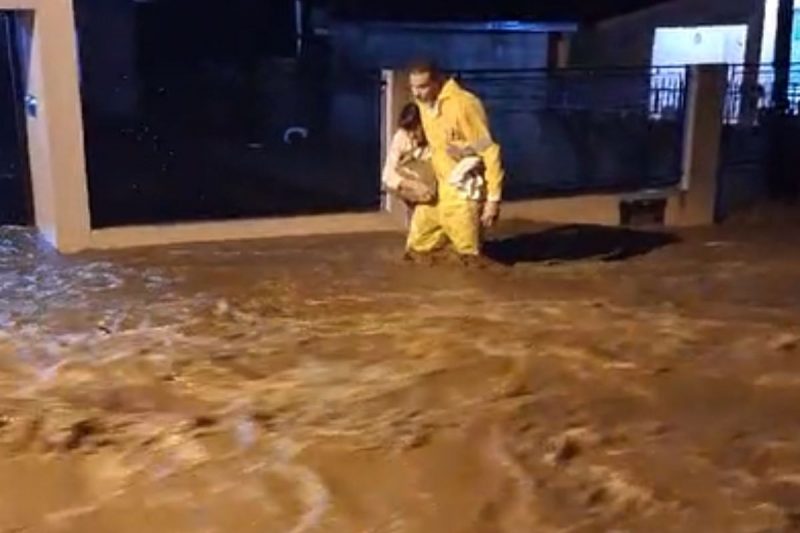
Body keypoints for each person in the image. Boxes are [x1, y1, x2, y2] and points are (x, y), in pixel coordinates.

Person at [405, 59, 505, 261]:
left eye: (423, 87)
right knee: (416, 249)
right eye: (413, 87)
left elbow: (489, 147)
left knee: (468, 257)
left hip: (462, 193)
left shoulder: (464, 104)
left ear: (438, 82)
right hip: (436, 189)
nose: (416, 93)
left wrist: (493, 200)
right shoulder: (423, 103)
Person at [382, 102, 436, 207]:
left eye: (415, 129)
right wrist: (414, 185)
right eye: (408, 130)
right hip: (414, 193)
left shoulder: (435, 136)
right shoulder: (402, 137)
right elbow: (387, 174)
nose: (412, 135)